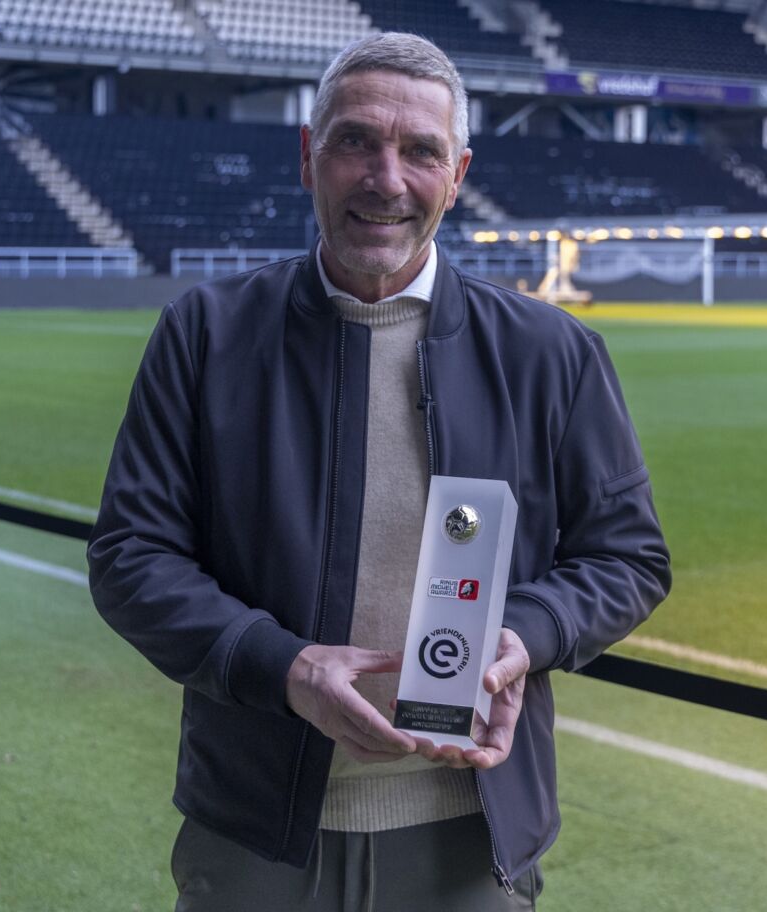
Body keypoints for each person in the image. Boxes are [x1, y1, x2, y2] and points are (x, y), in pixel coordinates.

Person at [87, 32, 670, 911]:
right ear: (307, 155)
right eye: (355, 141)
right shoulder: (206, 334)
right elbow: (131, 558)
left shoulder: (552, 353)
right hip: (255, 835)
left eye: (420, 151)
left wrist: (525, 635)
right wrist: (286, 669)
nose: (385, 179)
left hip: (469, 837)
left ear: (457, 174)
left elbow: (627, 558)